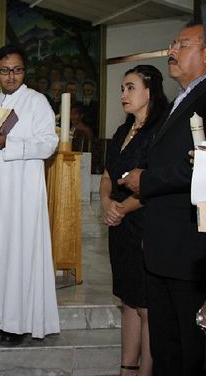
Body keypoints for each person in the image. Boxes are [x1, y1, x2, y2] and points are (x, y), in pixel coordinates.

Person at [120, 22, 206, 375]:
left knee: (190, 351)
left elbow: (200, 168)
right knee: (166, 348)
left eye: (182, 45)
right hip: (163, 248)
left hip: (189, 249)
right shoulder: (180, 101)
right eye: (172, 44)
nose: (172, 51)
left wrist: (147, 180)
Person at [0, 45, 60, 345]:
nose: (12, 76)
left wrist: (9, 145)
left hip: (21, 192)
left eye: (18, 70)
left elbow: (49, 143)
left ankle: (15, 322)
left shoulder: (36, 102)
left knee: (17, 251)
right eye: (5, 70)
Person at [101, 65, 168, 376]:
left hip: (144, 223)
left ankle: (146, 371)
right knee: (128, 300)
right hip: (120, 227)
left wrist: (121, 209)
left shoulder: (159, 132)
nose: (123, 94)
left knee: (146, 306)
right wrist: (105, 202)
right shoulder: (122, 130)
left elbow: (154, 183)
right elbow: (107, 174)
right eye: (122, 89)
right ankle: (126, 369)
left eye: (130, 87)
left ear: (149, 91)